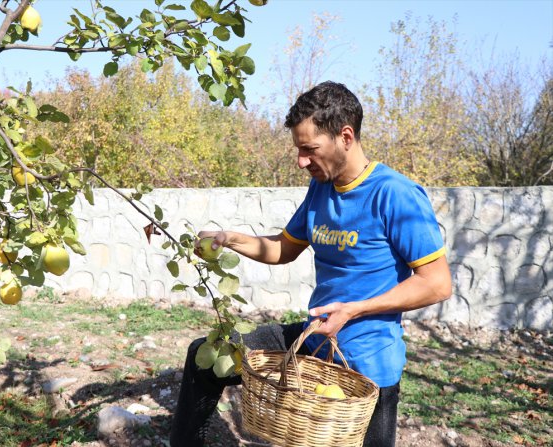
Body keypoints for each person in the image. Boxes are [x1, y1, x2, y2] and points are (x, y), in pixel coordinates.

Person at [169, 81, 452, 447]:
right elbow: (283, 249)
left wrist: (354, 310)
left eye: (310, 149)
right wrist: (230, 238)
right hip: (312, 341)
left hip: (366, 369)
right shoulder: (321, 189)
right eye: (298, 150)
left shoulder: (395, 194)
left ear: (345, 137)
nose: (302, 161)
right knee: (206, 356)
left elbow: (437, 283)